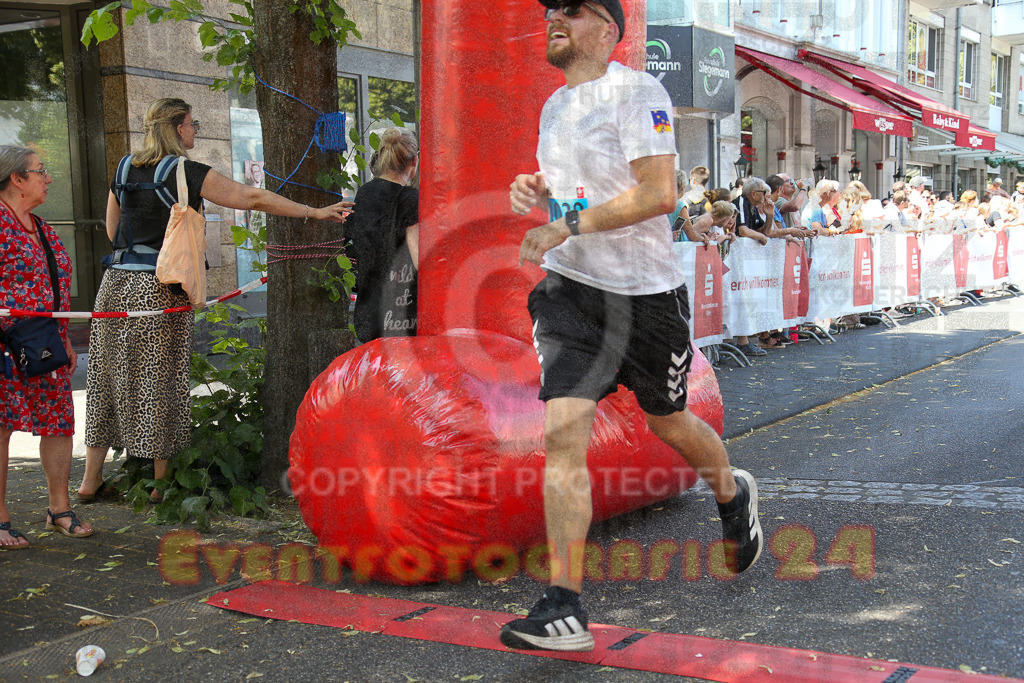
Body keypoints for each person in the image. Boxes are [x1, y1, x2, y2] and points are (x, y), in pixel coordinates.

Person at [505, 0, 762, 652]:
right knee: (563, 435)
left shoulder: (638, 91)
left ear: (608, 29)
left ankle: (733, 496)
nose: (553, 17)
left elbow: (657, 194)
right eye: (550, 10)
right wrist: (544, 196)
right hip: (571, 291)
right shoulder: (554, 107)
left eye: (571, 9)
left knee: (667, 420)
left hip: (646, 296)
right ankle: (563, 605)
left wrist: (568, 221)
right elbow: (578, 201)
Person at [78, 98, 352, 502]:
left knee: (104, 380)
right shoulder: (186, 172)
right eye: (193, 124)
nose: (195, 131)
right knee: (162, 381)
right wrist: (314, 212)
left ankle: (89, 481)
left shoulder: (122, 168)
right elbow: (252, 198)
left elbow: (112, 228)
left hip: (114, 285)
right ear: (177, 127)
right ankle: (160, 486)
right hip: (160, 287)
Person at [1, 145, 92, 545]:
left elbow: (56, 288)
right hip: (4, 345)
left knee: (58, 421)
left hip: (44, 343)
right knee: (1, 427)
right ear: (16, 179)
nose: (49, 178)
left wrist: (64, 339)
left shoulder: (42, 228)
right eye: (40, 171)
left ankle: (59, 508)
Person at [348, 127, 420, 341]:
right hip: (401, 315)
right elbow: (418, 258)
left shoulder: (364, 194)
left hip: (368, 312)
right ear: (414, 162)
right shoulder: (410, 199)